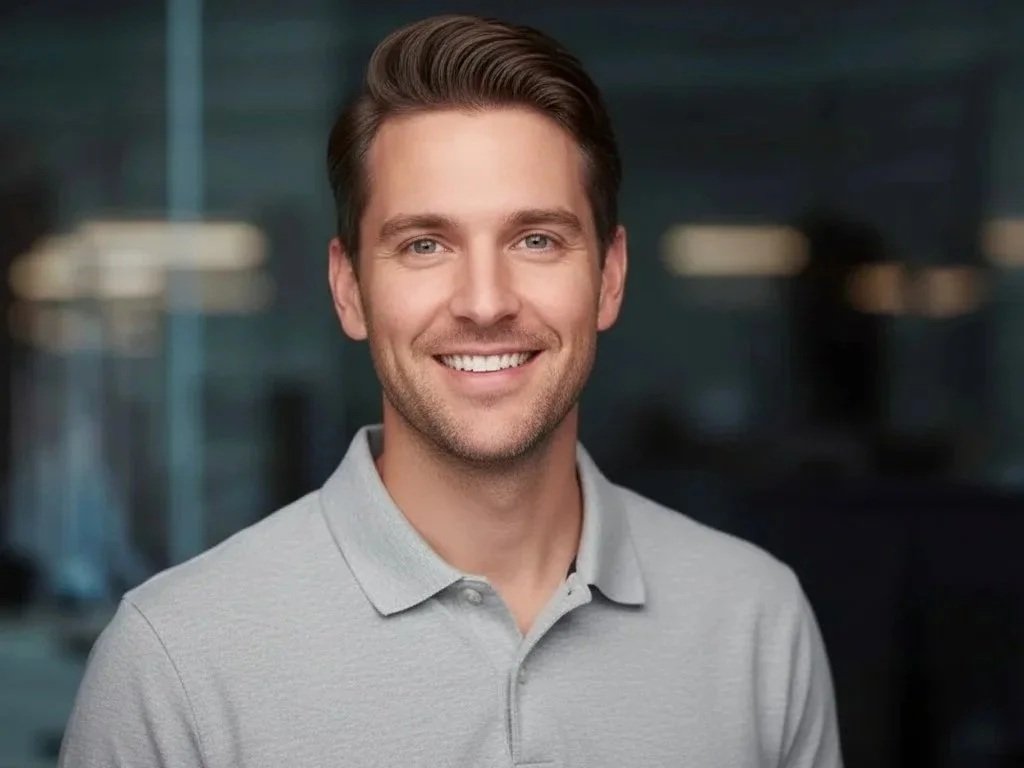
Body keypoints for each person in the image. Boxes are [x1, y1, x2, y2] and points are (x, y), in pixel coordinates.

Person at [59, 14, 843, 767]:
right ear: (349, 289)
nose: (484, 301)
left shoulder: (755, 623)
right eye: (425, 244)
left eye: (536, 239)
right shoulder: (174, 662)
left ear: (608, 277)